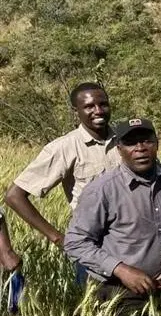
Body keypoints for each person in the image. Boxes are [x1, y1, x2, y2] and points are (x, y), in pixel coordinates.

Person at [64, 118, 161, 316]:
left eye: (146, 141)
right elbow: (75, 242)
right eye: (131, 143)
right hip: (121, 295)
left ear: (157, 143)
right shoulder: (103, 189)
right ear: (119, 149)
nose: (140, 148)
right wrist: (122, 270)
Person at [6, 82, 120, 284]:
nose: (98, 111)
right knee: (95, 307)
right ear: (76, 111)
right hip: (93, 247)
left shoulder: (126, 140)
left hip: (135, 243)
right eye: (89, 106)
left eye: (103, 104)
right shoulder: (64, 147)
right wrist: (59, 239)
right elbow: (15, 196)